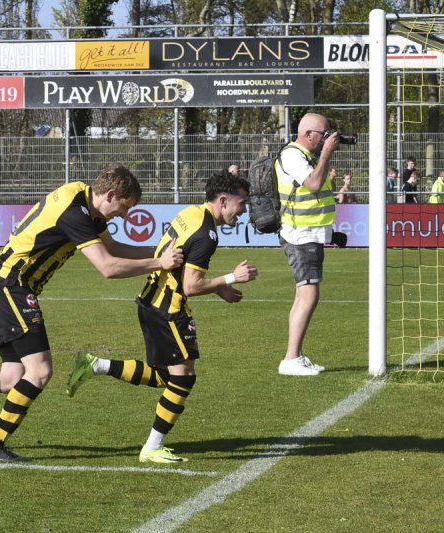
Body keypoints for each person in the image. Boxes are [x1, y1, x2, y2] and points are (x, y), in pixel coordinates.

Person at [0, 163, 184, 462]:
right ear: (110, 194)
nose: (124, 215)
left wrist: (159, 251)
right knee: (40, 371)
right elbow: (107, 266)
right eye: (124, 207)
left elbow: (112, 248)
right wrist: (159, 263)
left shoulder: (84, 200)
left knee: (12, 378)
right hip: (11, 284)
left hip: (8, 283)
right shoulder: (75, 213)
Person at [65, 169, 258, 463]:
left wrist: (218, 288)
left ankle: (96, 365)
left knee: (166, 376)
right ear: (223, 200)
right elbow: (191, 286)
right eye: (241, 203)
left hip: (151, 301)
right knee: (183, 379)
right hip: (169, 311)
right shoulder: (207, 234)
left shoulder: (192, 213)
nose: (243, 211)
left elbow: (182, 265)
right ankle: (152, 447)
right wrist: (232, 277)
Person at [273, 112, 340, 376]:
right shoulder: (292, 155)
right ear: (308, 134)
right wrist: (326, 154)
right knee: (308, 293)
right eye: (324, 134)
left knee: (306, 293)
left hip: (309, 233)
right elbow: (313, 184)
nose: (327, 138)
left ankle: (295, 356)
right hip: (300, 234)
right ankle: (291, 358)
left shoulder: (306, 156)